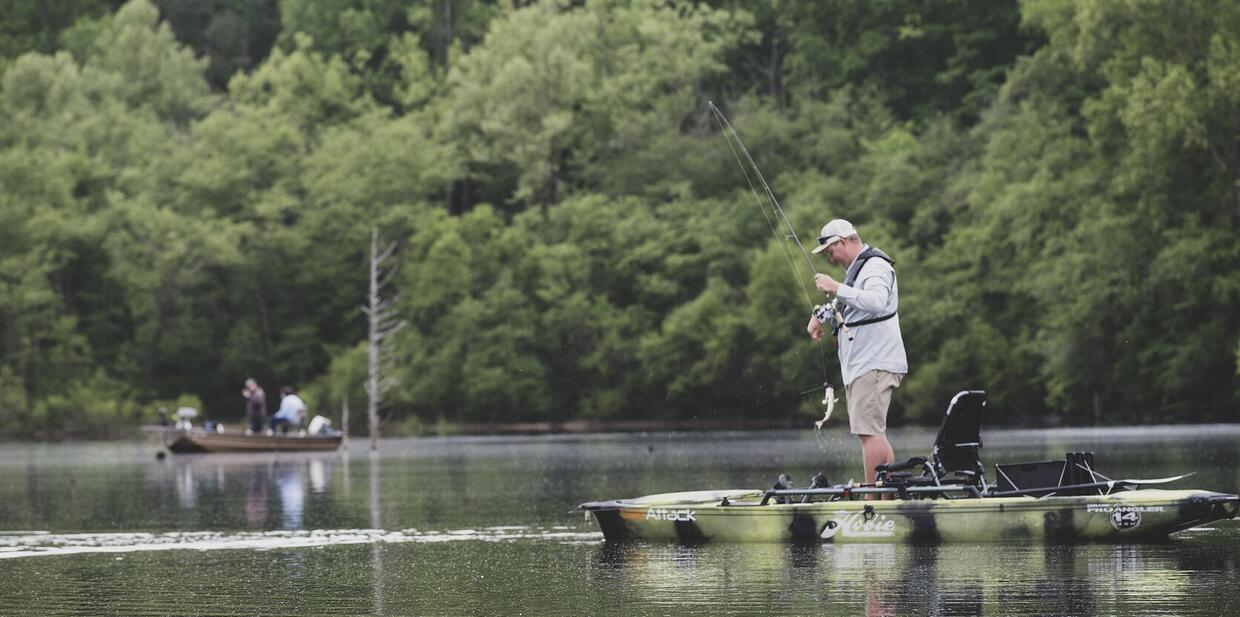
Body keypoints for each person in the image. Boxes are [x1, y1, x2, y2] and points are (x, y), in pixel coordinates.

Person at [805, 219, 908, 495]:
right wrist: (821, 316)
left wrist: (836, 287)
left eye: (830, 250)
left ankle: (873, 501)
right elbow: (848, 303)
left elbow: (875, 301)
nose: (830, 257)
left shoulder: (875, 266)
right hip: (864, 365)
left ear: (843, 241)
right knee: (874, 433)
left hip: (874, 363)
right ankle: (886, 496)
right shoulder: (856, 270)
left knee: (869, 433)